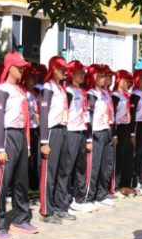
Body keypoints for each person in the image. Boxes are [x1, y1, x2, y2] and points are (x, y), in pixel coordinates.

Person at [0, 52, 37, 239]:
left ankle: (20, 218)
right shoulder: (2, 90)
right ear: (10, 67)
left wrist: (28, 143)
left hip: (20, 136)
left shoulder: (20, 90)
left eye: (23, 66)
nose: (23, 69)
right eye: (19, 67)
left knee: (20, 180)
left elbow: (25, 118)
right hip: (7, 135)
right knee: (2, 180)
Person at [39, 55, 75, 224]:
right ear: (53, 69)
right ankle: (47, 210)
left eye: (65, 70)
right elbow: (44, 115)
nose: (64, 72)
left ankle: (61, 207)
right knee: (49, 172)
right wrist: (44, 141)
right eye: (61, 69)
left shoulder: (61, 88)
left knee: (63, 170)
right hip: (52, 132)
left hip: (63, 129)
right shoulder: (48, 87)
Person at [64, 60, 95, 213]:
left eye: (84, 73)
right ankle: (65, 200)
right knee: (68, 167)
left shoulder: (83, 92)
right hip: (71, 132)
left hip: (82, 132)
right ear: (72, 74)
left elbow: (87, 114)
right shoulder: (67, 91)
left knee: (81, 167)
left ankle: (79, 198)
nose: (83, 75)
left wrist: (88, 137)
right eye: (80, 73)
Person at [84, 64, 117, 208]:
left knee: (106, 164)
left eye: (105, 76)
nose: (104, 79)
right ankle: (89, 195)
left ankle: (101, 193)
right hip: (96, 132)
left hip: (106, 130)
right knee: (94, 166)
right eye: (101, 76)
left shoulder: (105, 93)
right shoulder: (91, 94)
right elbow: (89, 117)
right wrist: (89, 138)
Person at [112, 70, 136, 198]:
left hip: (127, 127)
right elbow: (113, 116)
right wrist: (114, 134)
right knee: (119, 158)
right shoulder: (115, 96)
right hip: (119, 128)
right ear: (119, 80)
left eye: (130, 82)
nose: (129, 84)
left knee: (127, 157)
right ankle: (115, 186)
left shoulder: (127, 96)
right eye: (126, 81)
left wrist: (132, 133)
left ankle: (125, 184)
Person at [23, 67, 41, 192]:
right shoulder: (24, 93)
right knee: (27, 157)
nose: (34, 80)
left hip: (35, 127)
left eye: (35, 77)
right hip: (26, 128)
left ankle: (33, 184)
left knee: (34, 157)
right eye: (31, 77)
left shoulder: (35, 93)